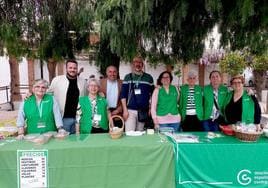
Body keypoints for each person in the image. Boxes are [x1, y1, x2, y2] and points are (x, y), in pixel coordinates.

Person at [47, 59, 87, 134]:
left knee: (78, 141)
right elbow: (47, 94)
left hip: (79, 119)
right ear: (66, 68)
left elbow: (88, 96)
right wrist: (32, 94)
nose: (72, 70)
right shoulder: (57, 80)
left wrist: (100, 94)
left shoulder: (83, 82)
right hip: (63, 119)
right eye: (70, 68)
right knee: (65, 142)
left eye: (75, 68)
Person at [120, 56, 154, 131]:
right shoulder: (127, 77)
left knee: (140, 134)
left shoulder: (148, 78)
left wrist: (150, 108)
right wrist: (125, 110)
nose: (138, 64)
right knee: (129, 133)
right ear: (132, 64)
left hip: (143, 111)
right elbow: (123, 95)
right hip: (130, 111)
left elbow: (152, 95)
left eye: (140, 62)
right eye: (136, 62)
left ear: (142, 65)